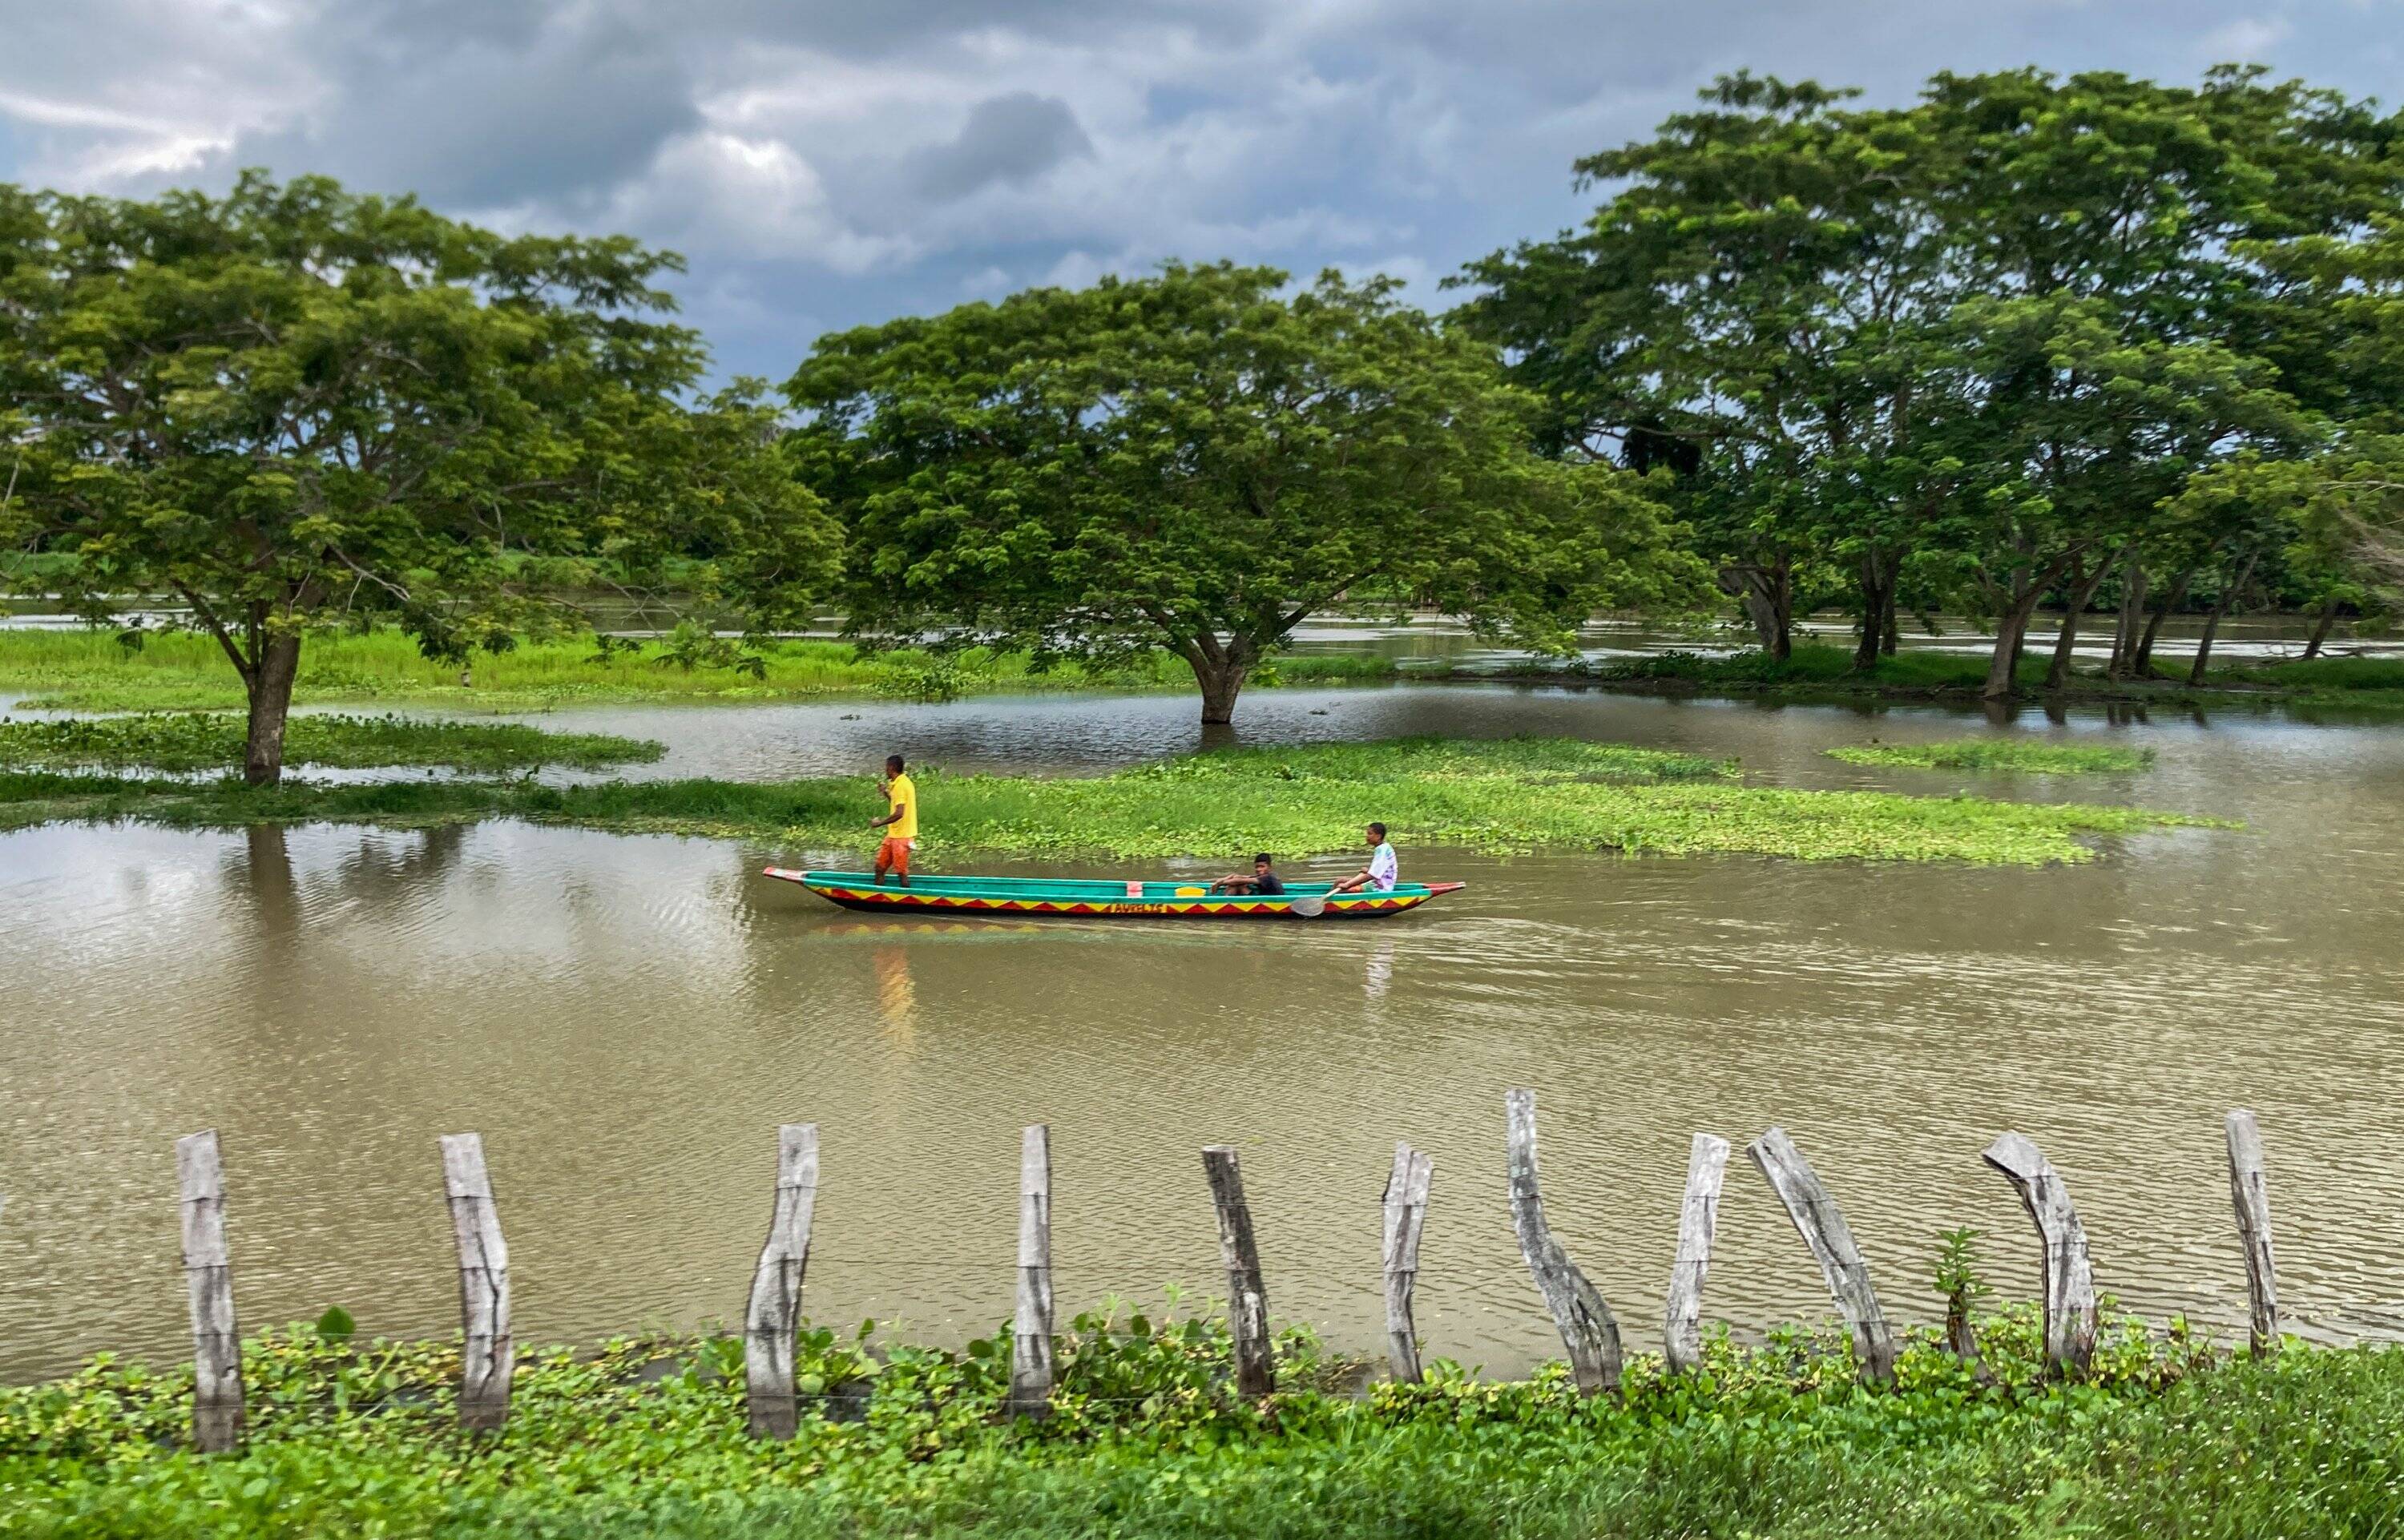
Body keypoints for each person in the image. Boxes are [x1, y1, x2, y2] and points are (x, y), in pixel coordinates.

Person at [869, 753, 918, 885]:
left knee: (901, 872)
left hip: (902, 836)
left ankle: (907, 899)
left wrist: (880, 823)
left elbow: (899, 813)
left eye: (886, 767)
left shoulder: (902, 785)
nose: (885, 770)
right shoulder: (898, 783)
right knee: (879, 868)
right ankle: (878, 897)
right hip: (894, 835)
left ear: (891, 768)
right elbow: (896, 803)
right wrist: (885, 792)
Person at [1329, 822, 1398, 894]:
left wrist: (1348, 884)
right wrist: (1368, 871)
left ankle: (1328, 903)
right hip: (1376, 883)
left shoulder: (1382, 850)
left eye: (1370, 834)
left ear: (1378, 836)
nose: (1367, 836)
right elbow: (1379, 871)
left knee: (1340, 891)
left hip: (1380, 888)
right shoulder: (1384, 847)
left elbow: (1371, 876)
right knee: (1340, 881)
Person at [1209, 853, 1286, 896]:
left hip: (1270, 902)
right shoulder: (1262, 876)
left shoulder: (1268, 877)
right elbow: (1237, 876)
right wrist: (1222, 879)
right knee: (1238, 884)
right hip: (1260, 899)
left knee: (1236, 884)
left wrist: (1220, 883)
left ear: (1269, 867)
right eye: (1257, 867)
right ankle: (1225, 901)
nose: (1259, 869)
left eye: (1262, 866)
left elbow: (1239, 880)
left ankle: (1224, 903)